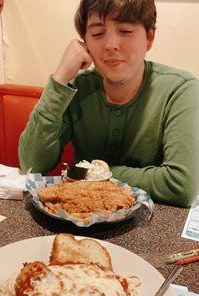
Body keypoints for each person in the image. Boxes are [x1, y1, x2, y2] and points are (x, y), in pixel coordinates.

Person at [18, 0, 199, 207]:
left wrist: (93, 173)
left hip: (152, 224)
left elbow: (181, 186)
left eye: (125, 30)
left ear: (149, 38)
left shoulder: (181, 89)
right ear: (84, 42)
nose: (111, 44)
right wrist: (60, 78)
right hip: (82, 219)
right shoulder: (76, 88)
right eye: (97, 34)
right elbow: (31, 164)